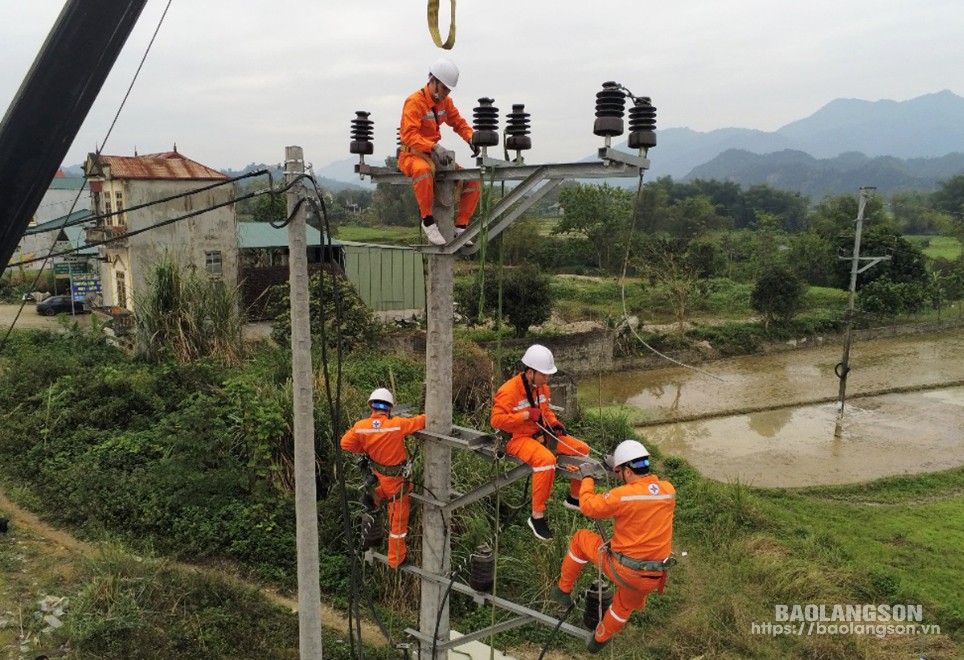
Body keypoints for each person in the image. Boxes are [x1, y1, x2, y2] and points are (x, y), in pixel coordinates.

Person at [549, 440, 676, 654]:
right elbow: (640, 493)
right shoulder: (667, 491)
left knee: (580, 539)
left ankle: (563, 590)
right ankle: (600, 639)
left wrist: (587, 477)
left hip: (625, 569)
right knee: (623, 606)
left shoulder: (623, 496)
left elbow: (588, 507)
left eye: (621, 471)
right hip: (653, 576)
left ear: (627, 471)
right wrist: (618, 467)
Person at [490, 344, 590, 541]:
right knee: (545, 460)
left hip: (540, 434)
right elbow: (496, 421)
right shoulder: (508, 391)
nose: (547, 378)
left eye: (548, 374)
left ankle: (574, 498)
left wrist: (554, 423)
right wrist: (525, 415)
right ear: (529, 372)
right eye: (543, 374)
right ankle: (537, 516)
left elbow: (545, 411)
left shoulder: (542, 388)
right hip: (516, 439)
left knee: (580, 448)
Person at [340, 388, 426, 569]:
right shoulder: (397, 424)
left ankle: (374, 498)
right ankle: (396, 559)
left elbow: (345, 443)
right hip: (395, 481)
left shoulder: (360, 426)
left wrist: (367, 448)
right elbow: (422, 421)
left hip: (381, 475)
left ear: (371, 406)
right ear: (389, 409)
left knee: (392, 492)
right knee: (398, 522)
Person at [398, 57, 480, 246]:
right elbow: (409, 135)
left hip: (434, 156)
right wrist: (433, 146)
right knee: (422, 172)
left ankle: (459, 228)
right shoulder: (414, 102)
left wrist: (470, 138)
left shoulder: (446, 103)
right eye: (444, 88)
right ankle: (428, 221)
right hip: (412, 154)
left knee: (471, 179)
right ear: (432, 81)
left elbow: (458, 122)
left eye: (448, 90)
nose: (445, 94)